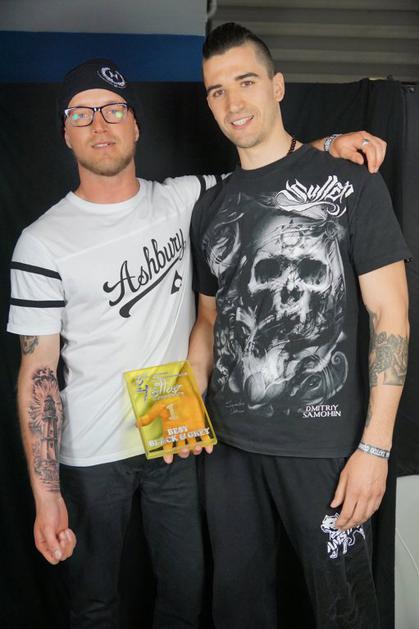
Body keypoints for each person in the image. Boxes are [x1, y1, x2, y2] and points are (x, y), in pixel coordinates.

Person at [7, 57, 387, 629]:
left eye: (113, 110)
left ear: (136, 124)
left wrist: (329, 145)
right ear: (65, 132)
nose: (99, 124)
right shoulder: (40, 242)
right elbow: (37, 370)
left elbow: (267, 167)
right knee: (93, 605)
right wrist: (46, 493)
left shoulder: (185, 199)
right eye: (81, 114)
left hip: (177, 441)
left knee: (186, 600)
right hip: (90, 454)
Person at [188, 23, 410, 629]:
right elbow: (207, 320)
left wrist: (375, 448)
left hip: (325, 451)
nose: (233, 102)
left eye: (246, 81)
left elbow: (390, 316)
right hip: (228, 451)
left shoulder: (353, 185)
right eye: (216, 91)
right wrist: (185, 406)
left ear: (278, 86)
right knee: (238, 610)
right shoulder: (211, 207)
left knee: (344, 610)